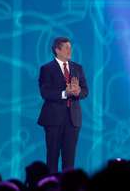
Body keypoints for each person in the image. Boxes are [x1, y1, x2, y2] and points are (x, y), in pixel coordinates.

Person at [37, 37, 89, 173]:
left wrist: (78, 92)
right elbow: (45, 93)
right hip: (53, 119)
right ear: (57, 50)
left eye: (70, 47)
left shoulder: (77, 68)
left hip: (73, 120)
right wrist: (65, 93)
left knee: (69, 160)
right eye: (66, 47)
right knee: (52, 158)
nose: (69, 50)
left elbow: (85, 91)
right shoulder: (46, 69)